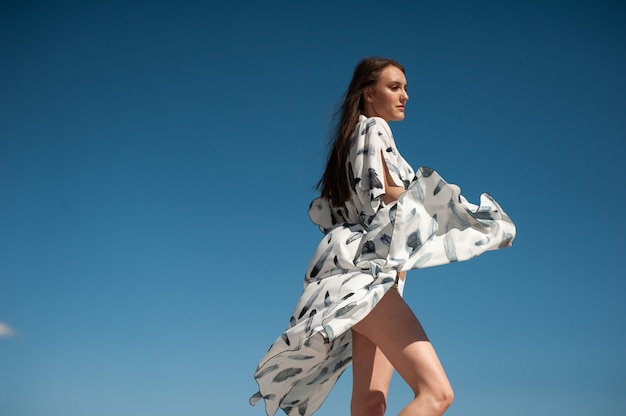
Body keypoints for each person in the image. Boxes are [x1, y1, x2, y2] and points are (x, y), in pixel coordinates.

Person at [250, 57, 515, 416]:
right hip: (368, 281)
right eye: (395, 87)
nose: (405, 95)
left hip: (366, 278)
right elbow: (392, 196)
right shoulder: (374, 128)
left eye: (406, 88)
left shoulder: (352, 138)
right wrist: (473, 220)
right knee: (436, 394)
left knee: (369, 404)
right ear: (368, 94)